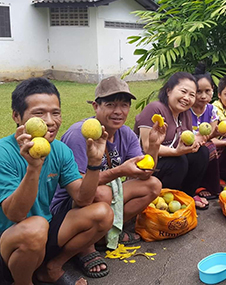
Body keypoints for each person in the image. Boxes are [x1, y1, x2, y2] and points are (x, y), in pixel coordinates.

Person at [0, 77, 114, 285]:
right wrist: (33, 167)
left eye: (55, 113)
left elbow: (83, 199)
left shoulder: (60, 150)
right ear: (17, 116)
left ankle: (51, 267)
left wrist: (94, 163)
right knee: (35, 227)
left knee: (102, 213)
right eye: (39, 113)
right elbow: (16, 214)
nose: (50, 121)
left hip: (42, 233)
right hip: (1, 245)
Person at [50, 76, 163, 278]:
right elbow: (81, 191)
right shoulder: (80, 134)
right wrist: (120, 171)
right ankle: (86, 247)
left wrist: (153, 146)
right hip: (70, 206)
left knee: (153, 185)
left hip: (105, 198)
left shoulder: (126, 134)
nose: (118, 111)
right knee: (101, 192)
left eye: (124, 105)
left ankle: (108, 234)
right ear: (96, 106)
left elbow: (145, 175)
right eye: (110, 104)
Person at [134, 72, 210, 209]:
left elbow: (185, 141)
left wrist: (195, 143)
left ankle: (186, 195)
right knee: (178, 161)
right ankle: (164, 200)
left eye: (192, 95)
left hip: (171, 161)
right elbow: (146, 147)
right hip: (146, 167)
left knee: (202, 153)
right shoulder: (155, 109)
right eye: (183, 91)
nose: (187, 98)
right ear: (169, 91)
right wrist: (176, 152)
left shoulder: (185, 113)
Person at [190, 63, 226, 190]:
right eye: (198, 92)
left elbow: (210, 138)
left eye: (207, 91)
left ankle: (224, 172)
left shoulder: (212, 111)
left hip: (209, 145)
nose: (203, 96)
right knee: (209, 148)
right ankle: (204, 185)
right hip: (191, 151)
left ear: (213, 90)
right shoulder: (186, 111)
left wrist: (224, 141)